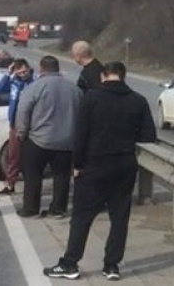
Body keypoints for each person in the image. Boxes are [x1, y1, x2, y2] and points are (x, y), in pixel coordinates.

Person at [44, 62, 157, 281]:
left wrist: (76, 165)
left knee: (82, 217)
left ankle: (70, 263)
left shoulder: (92, 98)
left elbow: (81, 135)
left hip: (93, 165)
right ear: (124, 77)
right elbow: (148, 136)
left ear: (104, 76)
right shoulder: (139, 101)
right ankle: (112, 266)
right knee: (119, 218)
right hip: (124, 165)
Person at [15, 56, 81, 218]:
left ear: (41, 69)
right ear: (57, 69)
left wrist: (21, 134)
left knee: (33, 174)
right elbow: (81, 114)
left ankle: (30, 208)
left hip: (39, 139)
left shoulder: (34, 88)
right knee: (62, 175)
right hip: (66, 140)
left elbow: (23, 111)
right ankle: (58, 208)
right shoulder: (74, 89)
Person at [0, 58, 35, 195]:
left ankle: (31, 185)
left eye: (24, 71)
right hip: (15, 123)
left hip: (32, 124)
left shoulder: (35, 80)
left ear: (28, 68)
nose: (23, 74)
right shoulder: (13, 81)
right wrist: (8, 73)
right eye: (20, 72)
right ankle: (10, 184)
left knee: (30, 157)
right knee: (13, 156)